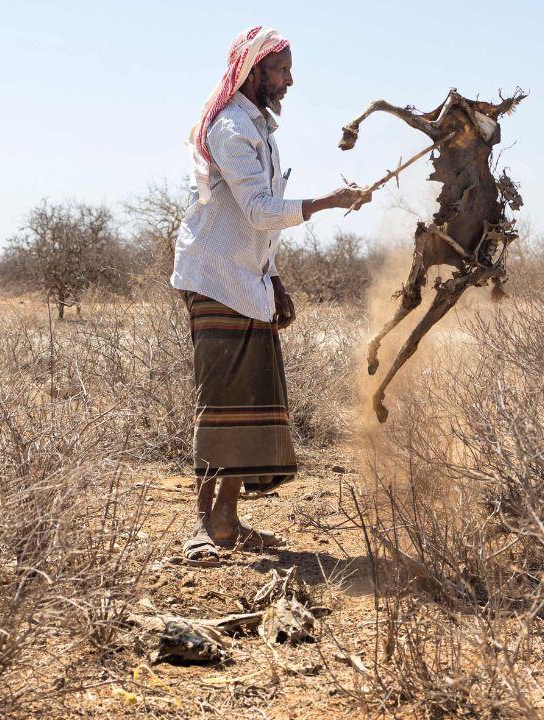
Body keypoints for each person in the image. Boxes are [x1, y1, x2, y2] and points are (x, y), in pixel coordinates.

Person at [171, 26, 371, 563]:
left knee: (252, 400)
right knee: (219, 403)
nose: (289, 79)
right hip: (214, 279)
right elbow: (260, 209)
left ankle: (228, 522)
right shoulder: (232, 129)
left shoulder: (260, 128)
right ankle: (201, 527)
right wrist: (327, 202)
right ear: (254, 70)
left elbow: (260, 225)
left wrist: (274, 276)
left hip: (249, 281)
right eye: (281, 69)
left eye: (288, 69)